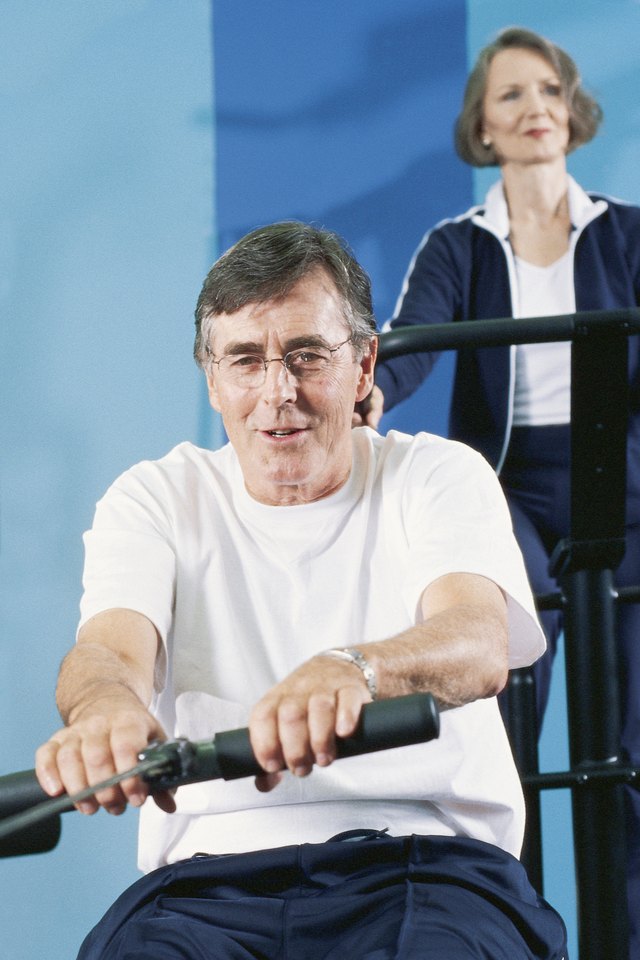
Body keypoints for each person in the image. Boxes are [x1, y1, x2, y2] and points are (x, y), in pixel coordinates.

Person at [35, 221, 566, 959]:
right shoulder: (153, 497)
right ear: (213, 377)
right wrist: (103, 709)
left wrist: (356, 668)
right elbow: (109, 653)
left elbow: (478, 641)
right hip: (203, 886)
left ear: (363, 366)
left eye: (307, 357)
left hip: (427, 867)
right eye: (246, 361)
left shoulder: (438, 475)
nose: (278, 392)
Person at [357, 26, 640, 958]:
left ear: (573, 113)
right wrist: (369, 394)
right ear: (483, 124)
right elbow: (414, 338)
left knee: (626, 743)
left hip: (621, 486)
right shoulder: (458, 244)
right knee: (506, 731)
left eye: (548, 91)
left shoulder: (627, 232)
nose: (534, 110)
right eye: (511, 96)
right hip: (511, 491)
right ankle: (519, 933)